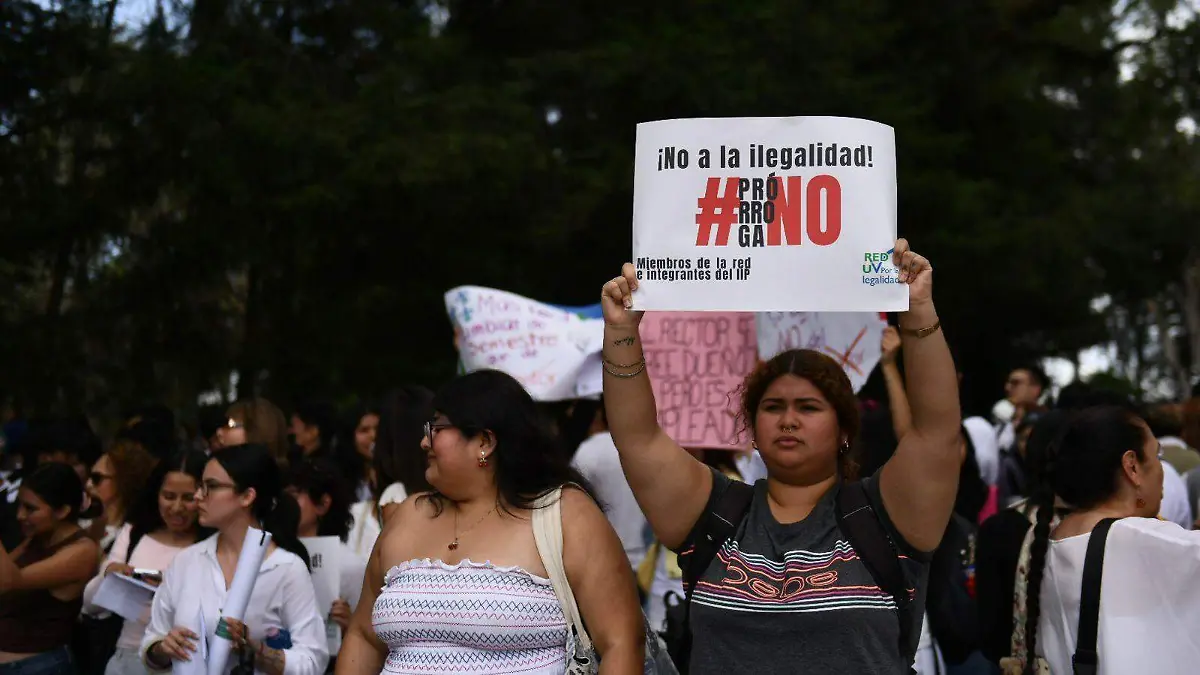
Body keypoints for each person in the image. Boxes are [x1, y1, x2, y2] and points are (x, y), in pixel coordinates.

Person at [598, 238, 962, 673]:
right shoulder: (713, 513)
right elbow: (637, 438)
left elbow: (937, 433)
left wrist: (918, 310)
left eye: (808, 408)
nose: (788, 420)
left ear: (844, 431)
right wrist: (620, 332)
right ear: (753, 430)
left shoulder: (887, 518)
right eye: (773, 408)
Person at [335, 370, 644, 674]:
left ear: (484, 441)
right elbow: (363, 636)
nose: (424, 443)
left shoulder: (565, 514)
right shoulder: (408, 516)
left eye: (436, 428)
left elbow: (621, 643)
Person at [1018, 406, 1200, 674]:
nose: (1162, 470)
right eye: (1157, 456)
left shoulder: (1050, 535)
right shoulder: (1136, 538)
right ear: (1132, 466)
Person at [140, 443, 328, 675]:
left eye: (211, 487)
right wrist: (163, 648)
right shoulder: (186, 561)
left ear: (247, 496)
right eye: (200, 486)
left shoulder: (286, 568)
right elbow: (152, 641)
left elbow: (313, 661)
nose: (198, 496)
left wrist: (256, 651)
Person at [82, 449, 210, 675]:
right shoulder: (135, 533)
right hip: (127, 656)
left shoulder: (213, 546)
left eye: (188, 498)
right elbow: (91, 605)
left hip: (183, 662)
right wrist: (110, 576)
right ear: (156, 494)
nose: (177, 508)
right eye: (168, 496)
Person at [0, 462, 101, 674]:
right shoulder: (37, 538)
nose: (20, 515)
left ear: (62, 511)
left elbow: (8, 581)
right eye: (20, 506)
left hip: (38, 667)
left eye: (30, 509)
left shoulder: (82, 551)